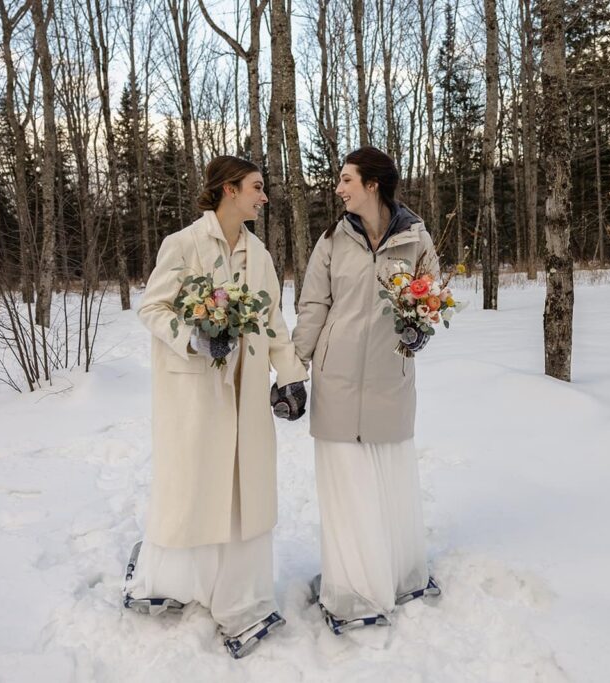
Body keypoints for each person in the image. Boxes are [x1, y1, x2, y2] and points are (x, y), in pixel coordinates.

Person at [126, 156, 308, 658]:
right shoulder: (183, 245)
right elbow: (152, 308)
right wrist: (194, 339)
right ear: (228, 190)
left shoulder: (261, 256)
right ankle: (174, 580)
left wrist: (292, 378)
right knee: (195, 486)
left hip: (246, 392)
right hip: (196, 392)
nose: (263, 197)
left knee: (244, 487)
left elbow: (272, 323)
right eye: (256, 187)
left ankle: (241, 593)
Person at [292, 146, 441, 635]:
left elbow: (431, 299)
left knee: (386, 482)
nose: (339, 188)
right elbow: (313, 305)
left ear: (373, 184)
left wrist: (422, 327)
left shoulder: (416, 240)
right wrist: (293, 371)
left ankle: (395, 575)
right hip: (336, 381)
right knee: (347, 488)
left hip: (388, 381)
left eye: (347, 179)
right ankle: (352, 587)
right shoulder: (332, 240)